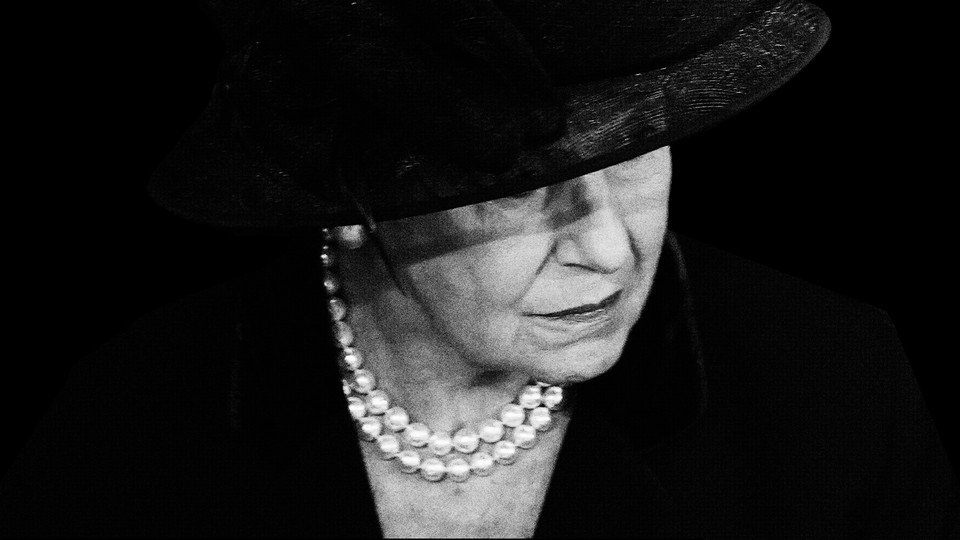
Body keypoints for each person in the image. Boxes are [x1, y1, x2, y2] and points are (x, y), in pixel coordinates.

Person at [2, 0, 956, 538]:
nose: (613, 248)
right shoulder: (127, 431)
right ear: (346, 209)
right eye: (518, 186)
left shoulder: (833, 388)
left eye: (636, 149)